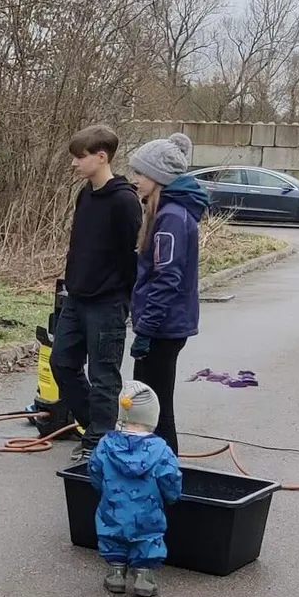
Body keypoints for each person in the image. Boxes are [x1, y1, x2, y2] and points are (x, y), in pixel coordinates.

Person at [50, 124, 143, 461]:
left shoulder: (124, 201)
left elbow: (130, 255)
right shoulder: (85, 193)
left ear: (101, 157)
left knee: (103, 374)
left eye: (80, 157)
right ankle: (94, 427)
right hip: (77, 298)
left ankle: (99, 442)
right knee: (61, 362)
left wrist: (124, 299)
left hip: (108, 302)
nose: (74, 163)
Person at [127, 132, 208, 456]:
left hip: (163, 328)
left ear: (158, 177)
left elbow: (167, 277)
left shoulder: (171, 218)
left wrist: (145, 329)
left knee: (155, 406)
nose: (134, 180)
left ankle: (164, 474)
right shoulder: (164, 212)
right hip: (161, 324)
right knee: (150, 403)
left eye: (140, 173)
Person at [88, 381, 183, 597]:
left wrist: (103, 489)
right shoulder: (161, 450)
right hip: (147, 512)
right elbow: (171, 477)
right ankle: (143, 578)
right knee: (148, 539)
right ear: (152, 418)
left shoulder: (105, 445)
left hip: (113, 508)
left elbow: (94, 468)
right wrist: (172, 496)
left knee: (112, 536)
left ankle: (116, 574)